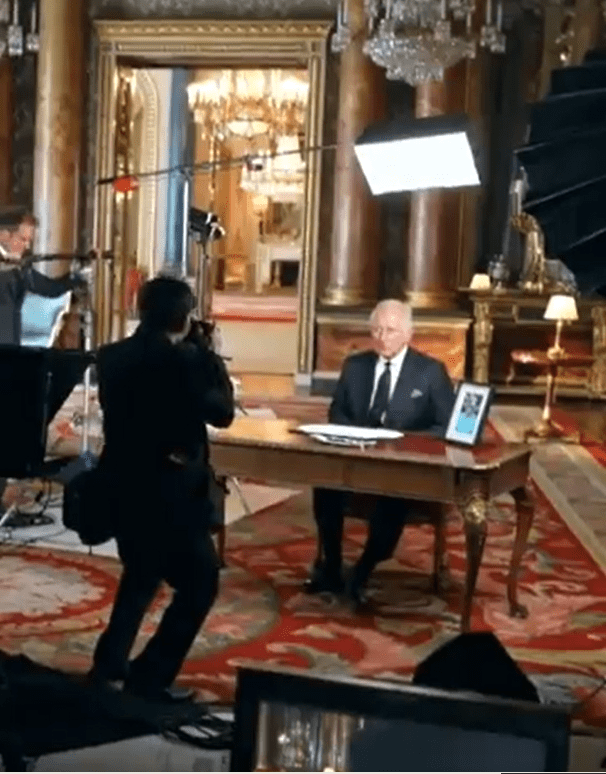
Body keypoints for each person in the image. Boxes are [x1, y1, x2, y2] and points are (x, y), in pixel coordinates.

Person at [89, 276, 235, 703]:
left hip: (123, 485)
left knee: (141, 577)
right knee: (200, 582)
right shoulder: (186, 362)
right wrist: (209, 356)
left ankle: (109, 666)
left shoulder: (112, 357)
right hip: (172, 495)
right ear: (185, 317)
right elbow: (222, 412)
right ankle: (149, 679)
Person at [304, 298, 455, 606]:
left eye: (391, 330)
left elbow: (446, 427)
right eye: (377, 330)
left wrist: (402, 440)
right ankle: (331, 567)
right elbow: (338, 412)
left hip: (405, 469)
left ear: (409, 333)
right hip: (356, 461)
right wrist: (352, 436)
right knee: (324, 484)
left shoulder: (430, 372)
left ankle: (362, 570)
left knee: (392, 497)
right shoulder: (355, 366)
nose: (383, 338)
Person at [0, 211, 86, 346]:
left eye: (29, 241)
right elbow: (48, 288)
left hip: (9, 347)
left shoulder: (17, 267)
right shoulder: (13, 268)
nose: (27, 246)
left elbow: (49, 288)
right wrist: (77, 277)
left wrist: (76, 277)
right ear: (4, 236)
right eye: (23, 239)